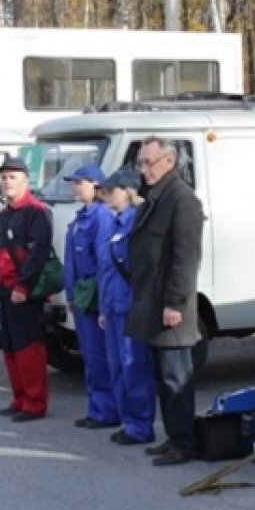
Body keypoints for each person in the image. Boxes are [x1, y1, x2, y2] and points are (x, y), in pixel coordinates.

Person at [127, 137, 204, 467]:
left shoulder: (182, 200)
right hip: (151, 301)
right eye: (141, 164)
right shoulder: (156, 197)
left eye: (149, 163)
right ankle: (173, 437)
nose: (144, 170)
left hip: (170, 307)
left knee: (177, 379)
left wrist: (175, 302)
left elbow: (186, 258)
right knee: (162, 377)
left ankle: (184, 443)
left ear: (169, 162)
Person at [0, 155, 54, 421]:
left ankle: (35, 403)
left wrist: (23, 286)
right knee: (10, 348)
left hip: (23, 293)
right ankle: (20, 398)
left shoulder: (36, 212)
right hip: (4, 290)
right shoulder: (3, 215)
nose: (7, 182)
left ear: (26, 181)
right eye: (4, 177)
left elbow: (38, 254)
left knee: (28, 348)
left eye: (12, 177)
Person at [98, 167, 156, 446]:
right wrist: (103, 308)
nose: (106, 195)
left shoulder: (135, 223)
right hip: (113, 306)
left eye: (112, 190)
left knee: (135, 367)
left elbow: (140, 269)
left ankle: (140, 425)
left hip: (129, 307)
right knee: (117, 367)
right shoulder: (115, 222)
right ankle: (128, 420)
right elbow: (106, 270)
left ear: (128, 192)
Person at [63, 163, 119, 429]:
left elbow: (103, 263)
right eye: (74, 183)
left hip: (94, 294)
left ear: (96, 186)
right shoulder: (80, 217)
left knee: (99, 355)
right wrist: (71, 294)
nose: (75, 187)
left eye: (80, 183)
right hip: (82, 294)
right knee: (89, 354)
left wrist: (100, 301)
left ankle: (106, 411)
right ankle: (96, 408)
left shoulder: (101, 217)